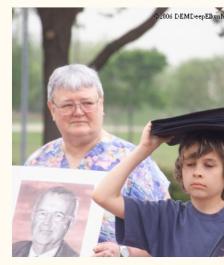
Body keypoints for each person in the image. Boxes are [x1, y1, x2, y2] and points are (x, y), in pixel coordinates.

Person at [25, 64, 170, 257]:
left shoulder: (135, 162)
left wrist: (123, 253)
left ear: (101, 104)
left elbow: (169, 234)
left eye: (87, 103)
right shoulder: (37, 162)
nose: (78, 112)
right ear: (52, 109)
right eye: (68, 105)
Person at [92, 123, 224, 256]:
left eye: (208, 165)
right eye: (190, 164)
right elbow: (103, 196)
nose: (197, 172)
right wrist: (145, 149)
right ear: (181, 170)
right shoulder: (165, 217)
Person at [13, 186, 79, 257]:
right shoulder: (12, 250)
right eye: (43, 213)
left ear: (70, 223)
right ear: (33, 216)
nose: (46, 222)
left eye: (58, 216)